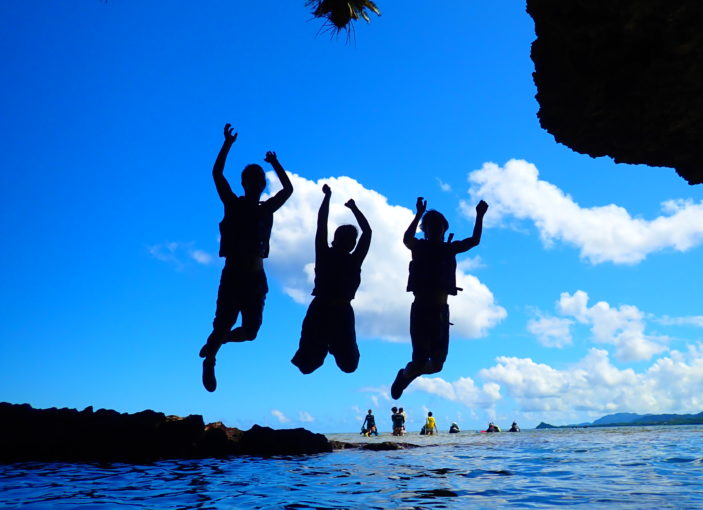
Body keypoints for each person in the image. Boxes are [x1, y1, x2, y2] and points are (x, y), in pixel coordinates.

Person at [199, 124, 293, 392]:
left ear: (262, 185)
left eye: (258, 181)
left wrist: (276, 163)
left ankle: (218, 342)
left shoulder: (267, 209)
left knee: (250, 332)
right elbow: (217, 174)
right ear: (245, 184)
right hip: (233, 276)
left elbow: (288, 190)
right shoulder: (233, 204)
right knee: (222, 323)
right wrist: (227, 144)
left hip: (256, 277)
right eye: (250, 181)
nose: (254, 185)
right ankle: (211, 359)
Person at [390, 197, 488, 399]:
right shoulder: (419, 247)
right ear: (424, 229)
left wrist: (479, 216)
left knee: (437, 366)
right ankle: (405, 375)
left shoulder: (448, 249)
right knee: (419, 360)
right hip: (421, 309)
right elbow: (407, 238)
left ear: (444, 229)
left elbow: (474, 241)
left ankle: (407, 375)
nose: (435, 229)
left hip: (441, 312)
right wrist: (418, 214)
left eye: (438, 226)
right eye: (430, 226)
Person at [291, 184, 371, 374]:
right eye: (348, 238)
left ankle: (333, 344)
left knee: (349, 366)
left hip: (341, 311)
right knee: (306, 366)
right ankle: (325, 344)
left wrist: (353, 208)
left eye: (351, 240)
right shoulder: (325, 253)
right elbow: (322, 223)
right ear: (338, 239)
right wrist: (328, 198)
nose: (350, 242)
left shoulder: (353, 260)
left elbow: (367, 233)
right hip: (321, 309)